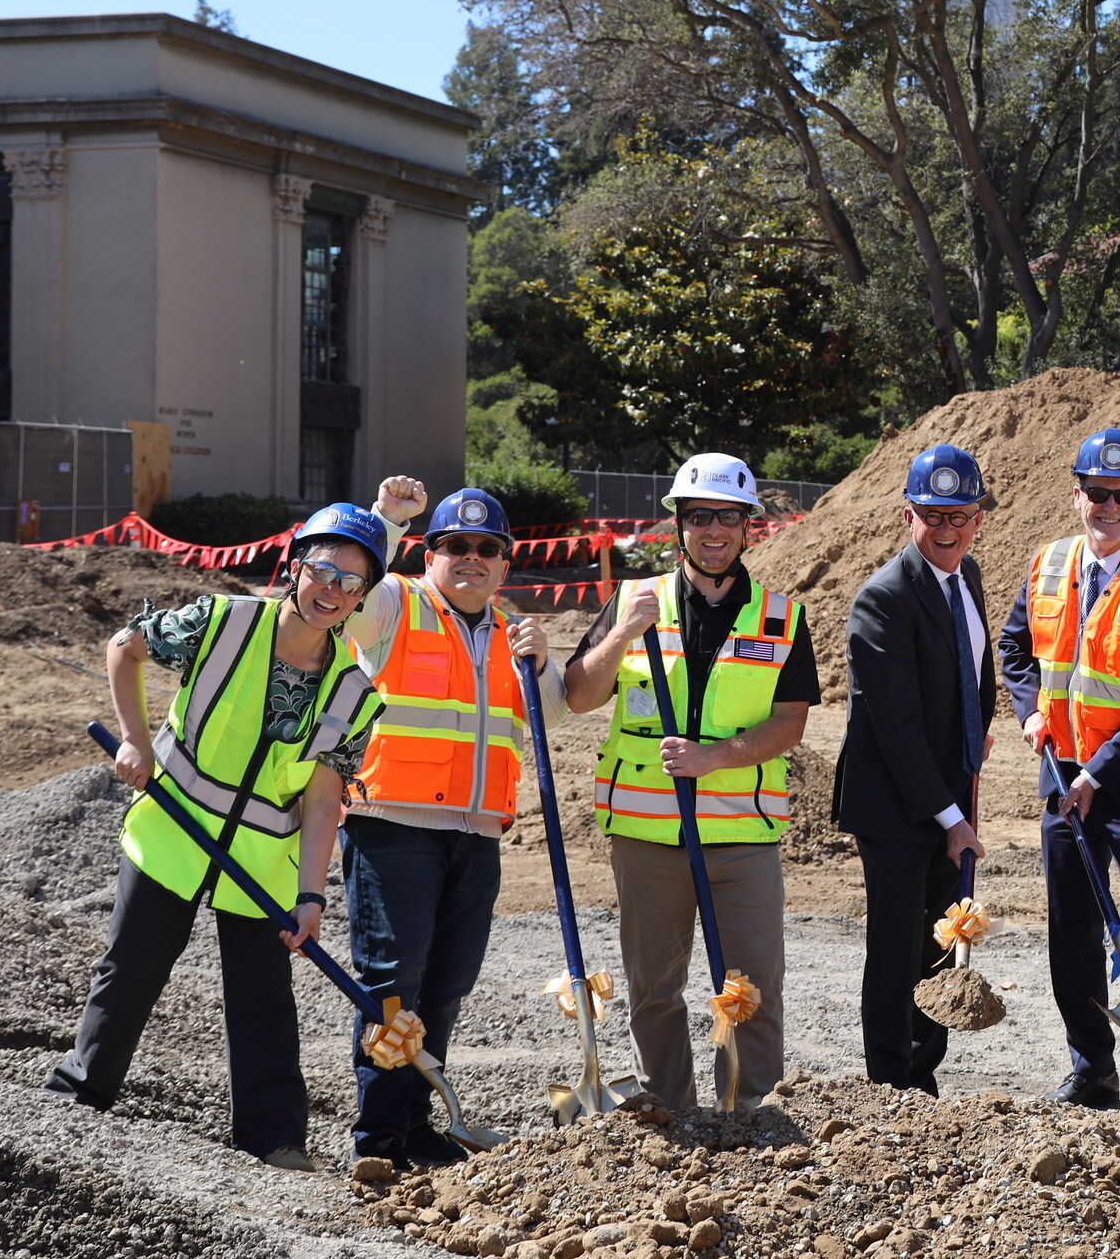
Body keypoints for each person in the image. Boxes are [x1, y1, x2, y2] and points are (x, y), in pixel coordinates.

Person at [46, 504, 391, 1170]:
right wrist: (134, 742)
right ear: (296, 565)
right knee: (131, 970)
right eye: (324, 570)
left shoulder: (353, 694)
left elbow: (323, 800)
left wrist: (312, 897)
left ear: (362, 598)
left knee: (263, 999)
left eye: (352, 584)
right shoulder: (222, 620)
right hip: (172, 835)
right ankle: (77, 1094)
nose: (333, 592)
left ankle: (274, 1139)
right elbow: (126, 647)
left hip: (258, 864)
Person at [562, 453, 813, 1112]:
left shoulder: (782, 618)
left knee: (751, 986)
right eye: (698, 515)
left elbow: (790, 724)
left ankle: (751, 1107)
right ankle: (668, 1108)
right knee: (654, 988)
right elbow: (581, 694)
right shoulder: (635, 601)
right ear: (677, 523)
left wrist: (716, 757)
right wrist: (622, 632)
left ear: (748, 527)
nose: (713, 530)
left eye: (727, 517)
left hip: (742, 836)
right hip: (648, 836)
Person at [326, 478, 558, 1168]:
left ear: (506, 563)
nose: (471, 557)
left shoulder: (510, 638)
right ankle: (378, 1135)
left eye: (488, 548)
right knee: (393, 982)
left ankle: (419, 1120)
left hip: (475, 835)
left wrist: (542, 663)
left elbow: (552, 715)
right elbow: (343, 591)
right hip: (391, 826)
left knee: (447, 984)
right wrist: (384, 523)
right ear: (430, 553)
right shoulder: (396, 603)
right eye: (455, 544)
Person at [999, 427, 1120, 1107]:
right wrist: (1030, 711)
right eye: (1095, 493)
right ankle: (1092, 1068)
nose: (1107, 506)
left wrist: (1095, 776)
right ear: (1076, 495)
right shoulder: (1047, 563)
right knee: (1073, 928)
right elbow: (1015, 647)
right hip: (1062, 776)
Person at [833, 443, 999, 1095]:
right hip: (896, 805)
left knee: (941, 939)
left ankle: (923, 1075)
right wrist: (953, 818)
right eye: (935, 516)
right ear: (909, 516)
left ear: (979, 517)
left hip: (948, 790)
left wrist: (973, 740)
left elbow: (973, 674)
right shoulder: (884, 599)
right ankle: (890, 1083)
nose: (949, 529)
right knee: (899, 945)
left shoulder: (969, 576)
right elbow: (896, 730)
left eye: (962, 515)